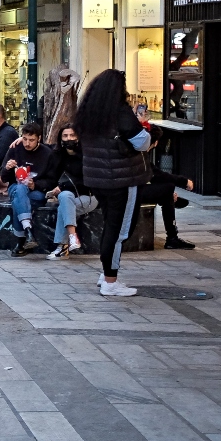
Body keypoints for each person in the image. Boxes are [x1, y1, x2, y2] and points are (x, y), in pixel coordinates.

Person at [76, 69, 152, 296]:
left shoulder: (87, 112)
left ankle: (105, 273)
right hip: (122, 179)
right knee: (119, 230)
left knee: (110, 224)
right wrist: (145, 128)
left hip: (97, 179)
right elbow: (142, 142)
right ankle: (110, 280)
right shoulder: (120, 112)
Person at [134, 103, 196, 250]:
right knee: (167, 189)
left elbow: (153, 174)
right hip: (128, 191)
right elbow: (154, 174)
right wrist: (182, 181)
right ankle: (172, 238)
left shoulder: (140, 151)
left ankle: (172, 237)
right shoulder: (139, 152)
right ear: (155, 143)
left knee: (166, 191)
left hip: (133, 188)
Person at [1, 121, 59, 257]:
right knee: (20, 191)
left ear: (39, 138)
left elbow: (51, 181)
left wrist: (35, 185)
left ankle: (21, 240)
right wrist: (7, 168)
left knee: (18, 201)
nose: (27, 143)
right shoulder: (15, 148)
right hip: (15, 187)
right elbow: (3, 176)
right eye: (25, 139)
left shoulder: (47, 153)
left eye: (31, 140)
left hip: (37, 193)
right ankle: (27, 230)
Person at [45, 124, 98, 260]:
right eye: (65, 136)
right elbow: (51, 178)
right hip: (66, 197)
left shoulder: (87, 155)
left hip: (88, 196)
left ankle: (63, 247)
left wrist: (63, 186)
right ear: (60, 138)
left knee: (64, 205)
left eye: (72, 135)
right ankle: (72, 237)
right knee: (65, 196)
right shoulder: (56, 155)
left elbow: (89, 181)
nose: (69, 138)